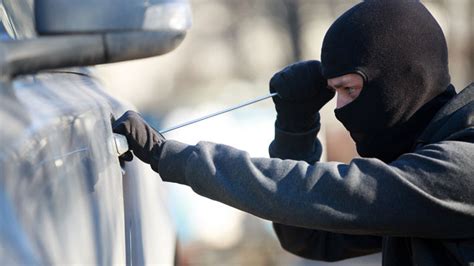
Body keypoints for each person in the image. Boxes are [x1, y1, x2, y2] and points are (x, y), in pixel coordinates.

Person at [113, 1, 474, 265]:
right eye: (334, 92)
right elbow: (309, 237)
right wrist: (295, 128)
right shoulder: (421, 159)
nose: (340, 108)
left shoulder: (461, 169)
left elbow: (330, 193)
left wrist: (173, 157)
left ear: (401, 80)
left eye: (349, 89)